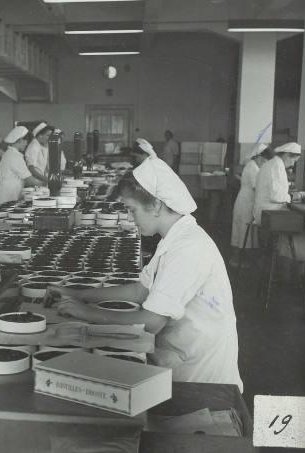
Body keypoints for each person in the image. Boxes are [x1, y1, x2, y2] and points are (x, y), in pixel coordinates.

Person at [45, 157, 243, 390]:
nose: (130, 218)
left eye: (132, 210)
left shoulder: (189, 247)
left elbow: (151, 322)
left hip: (204, 379)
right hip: (179, 355)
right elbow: (141, 290)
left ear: (157, 205)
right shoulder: (174, 237)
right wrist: (77, 294)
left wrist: (86, 312)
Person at [253, 142, 305, 262]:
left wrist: (288, 195)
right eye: (293, 160)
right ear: (287, 155)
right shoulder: (276, 165)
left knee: (300, 223)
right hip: (268, 213)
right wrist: (291, 197)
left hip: (264, 211)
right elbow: (276, 196)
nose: (292, 164)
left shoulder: (273, 163)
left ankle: (286, 256)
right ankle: (295, 260)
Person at [229, 143, 270, 258]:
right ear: (258, 157)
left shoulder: (253, 166)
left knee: (241, 230)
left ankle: (239, 259)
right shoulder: (252, 167)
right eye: (264, 161)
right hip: (246, 202)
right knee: (242, 230)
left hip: (247, 200)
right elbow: (256, 187)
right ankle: (238, 259)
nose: (264, 164)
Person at [0, 126, 44, 207]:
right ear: (20, 140)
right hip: (7, 197)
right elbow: (29, 180)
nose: (26, 144)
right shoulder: (14, 156)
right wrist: (45, 184)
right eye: (26, 141)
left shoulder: (11, 153)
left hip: (9, 195)